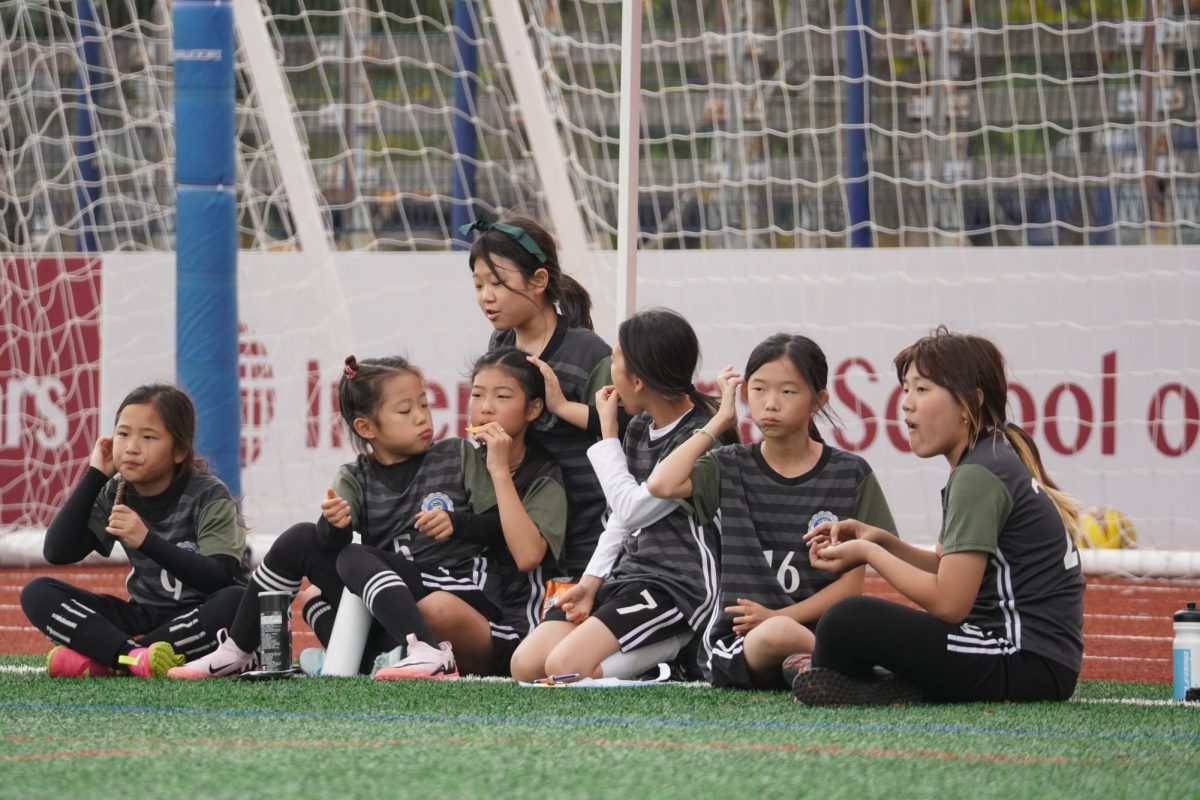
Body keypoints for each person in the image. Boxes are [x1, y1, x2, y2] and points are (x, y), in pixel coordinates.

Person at [795, 327, 1085, 706]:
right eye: (905, 389)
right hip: (1034, 663)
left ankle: (861, 683)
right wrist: (878, 539)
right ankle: (881, 687)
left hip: (1021, 663)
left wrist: (869, 556)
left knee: (844, 621)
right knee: (843, 629)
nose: (906, 404)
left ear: (969, 404)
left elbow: (949, 603)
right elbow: (944, 568)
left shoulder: (979, 473)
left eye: (922, 389)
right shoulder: (988, 457)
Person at [647, 334, 897, 690]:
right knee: (777, 633)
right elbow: (662, 484)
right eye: (759, 390)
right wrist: (720, 420)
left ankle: (814, 667)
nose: (770, 404)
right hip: (739, 642)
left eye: (788, 392)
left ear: (819, 400)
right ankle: (864, 675)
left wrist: (782, 615)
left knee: (880, 626)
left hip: (819, 632)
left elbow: (851, 586)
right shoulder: (729, 464)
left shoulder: (850, 472)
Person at [510, 308, 737, 682]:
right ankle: (651, 661)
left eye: (614, 359)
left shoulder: (701, 438)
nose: (608, 367)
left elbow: (632, 510)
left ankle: (673, 653)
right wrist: (589, 583)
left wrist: (608, 436)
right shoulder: (641, 427)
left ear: (636, 381)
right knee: (526, 665)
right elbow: (619, 518)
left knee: (563, 670)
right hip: (628, 575)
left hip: (678, 588)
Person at [335, 347, 567, 678]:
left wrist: (499, 471)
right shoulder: (462, 460)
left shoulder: (542, 475)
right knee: (333, 577)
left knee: (432, 606)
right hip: (451, 600)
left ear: (532, 409)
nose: (485, 407)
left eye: (501, 397)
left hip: (511, 625)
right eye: (476, 395)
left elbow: (528, 556)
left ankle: (405, 653)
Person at [20, 384, 247, 678]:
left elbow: (219, 577)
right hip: (143, 617)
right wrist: (95, 476)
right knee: (37, 592)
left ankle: (111, 658)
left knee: (238, 600)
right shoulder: (118, 490)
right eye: (123, 434)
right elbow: (58, 551)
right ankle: (133, 657)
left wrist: (146, 541)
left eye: (149, 437)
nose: (131, 447)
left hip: (200, 618)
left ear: (179, 451)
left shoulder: (210, 494)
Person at [462, 214, 620, 582]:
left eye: (498, 283)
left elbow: (622, 425)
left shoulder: (587, 351)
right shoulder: (501, 343)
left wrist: (562, 408)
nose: (486, 296)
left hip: (584, 533)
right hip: (523, 523)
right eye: (478, 284)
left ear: (538, 281)